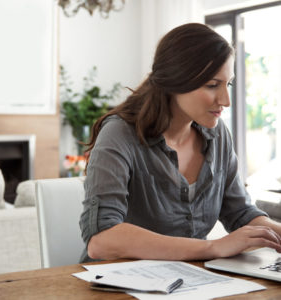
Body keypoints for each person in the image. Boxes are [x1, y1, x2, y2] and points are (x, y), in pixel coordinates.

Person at [79, 23, 281, 262]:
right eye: (212, 85)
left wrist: (276, 232)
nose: (226, 100)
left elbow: (241, 212)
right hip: (119, 284)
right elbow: (101, 240)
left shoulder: (218, 135)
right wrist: (212, 248)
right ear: (176, 81)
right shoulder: (119, 134)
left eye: (229, 84)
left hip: (191, 281)